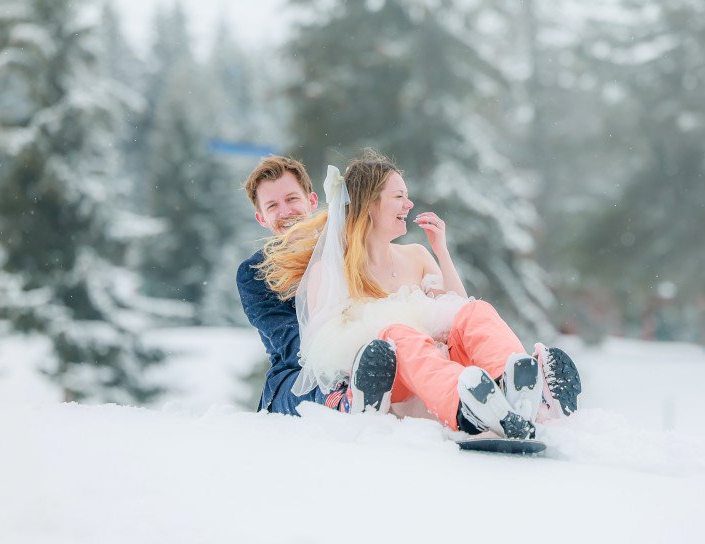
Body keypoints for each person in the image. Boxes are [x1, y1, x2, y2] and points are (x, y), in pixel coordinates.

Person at [261, 149, 581, 438]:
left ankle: (516, 388)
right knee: (399, 335)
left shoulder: (417, 255)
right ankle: (468, 408)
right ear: (370, 205)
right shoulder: (330, 273)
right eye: (399, 196)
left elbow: (458, 311)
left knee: (477, 312)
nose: (409, 204)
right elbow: (328, 356)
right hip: (402, 388)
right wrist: (387, 337)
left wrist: (441, 251)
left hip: (445, 365)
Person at [237, 156, 397, 415]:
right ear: (262, 218)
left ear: (311, 201)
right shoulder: (255, 272)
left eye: (291, 199)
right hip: (298, 375)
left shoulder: (349, 248)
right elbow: (292, 344)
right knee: (308, 384)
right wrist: (349, 356)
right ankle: (345, 401)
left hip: (370, 353)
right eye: (273, 206)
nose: (285, 212)